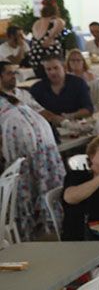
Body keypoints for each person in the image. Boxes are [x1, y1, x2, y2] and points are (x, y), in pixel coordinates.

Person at [0, 79, 64, 239]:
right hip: (39, 135)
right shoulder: (12, 100)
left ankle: (25, 228)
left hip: (21, 137)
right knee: (34, 181)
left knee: (23, 180)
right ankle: (40, 224)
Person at [30, 55, 93, 124]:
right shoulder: (37, 88)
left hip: (75, 125)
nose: (52, 72)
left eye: (56, 68)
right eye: (48, 69)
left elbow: (88, 109)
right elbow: (32, 111)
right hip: (49, 127)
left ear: (64, 68)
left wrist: (69, 116)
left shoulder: (78, 83)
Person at [27, 0, 66, 79]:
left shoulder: (36, 23)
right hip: (50, 56)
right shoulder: (58, 21)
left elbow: (36, 39)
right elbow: (48, 41)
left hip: (35, 56)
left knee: (41, 80)